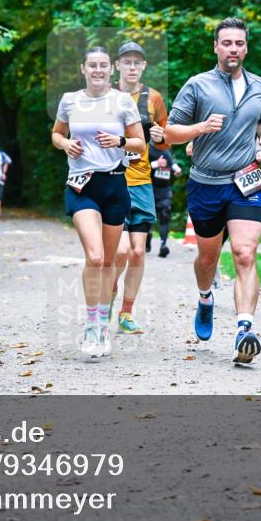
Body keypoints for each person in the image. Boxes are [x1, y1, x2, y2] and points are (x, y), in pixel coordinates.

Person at [164, 18, 261, 365]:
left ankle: (244, 331)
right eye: (226, 43)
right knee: (207, 260)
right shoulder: (198, 85)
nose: (233, 49)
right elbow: (170, 132)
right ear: (216, 47)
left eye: (239, 43)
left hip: (245, 182)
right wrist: (200, 128)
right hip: (205, 185)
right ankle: (205, 298)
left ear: (246, 47)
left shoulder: (260, 87)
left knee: (245, 253)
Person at [51, 46, 146, 358]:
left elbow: (140, 143)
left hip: (114, 184)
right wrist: (66, 144)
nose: (98, 70)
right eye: (92, 65)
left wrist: (119, 141)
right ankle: (92, 324)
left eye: (103, 65)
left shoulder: (122, 101)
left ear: (111, 69)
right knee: (94, 257)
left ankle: (103, 324)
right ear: (83, 68)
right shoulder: (70, 100)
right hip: (82, 186)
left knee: (108, 261)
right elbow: (56, 134)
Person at [109, 41, 170, 336]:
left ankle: (126, 312)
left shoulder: (153, 98)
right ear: (117, 65)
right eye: (127, 62)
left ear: (143, 66)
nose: (132, 67)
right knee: (120, 252)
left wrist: (160, 137)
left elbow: (166, 141)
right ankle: (108, 296)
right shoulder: (104, 96)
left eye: (137, 62)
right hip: (112, 179)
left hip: (142, 181)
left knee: (137, 253)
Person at [147, 143, 182, 257]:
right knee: (148, 217)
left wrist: (176, 169)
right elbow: (140, 167)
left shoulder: (168, 148)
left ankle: (163, 245)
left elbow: (171, 162)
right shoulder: (148, 148)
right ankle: (147, 237)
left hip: (165, 190)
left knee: (165, 214)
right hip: (150, 189)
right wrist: (156, 164)